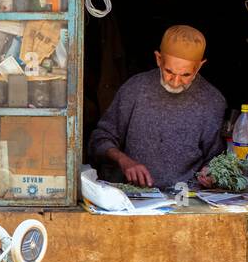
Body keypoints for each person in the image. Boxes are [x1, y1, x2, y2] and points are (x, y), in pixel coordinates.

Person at [87, 24, 226, 189]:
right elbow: (99, 139)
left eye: (186, 75)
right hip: (133, 196)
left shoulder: (213, 101)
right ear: (158, 59)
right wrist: (124, 161)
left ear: (199, 66)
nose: (175, 82)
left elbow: (216, 156)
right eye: (169, 71)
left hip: (187, 199)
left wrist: (211, 172)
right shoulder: (135, 89)